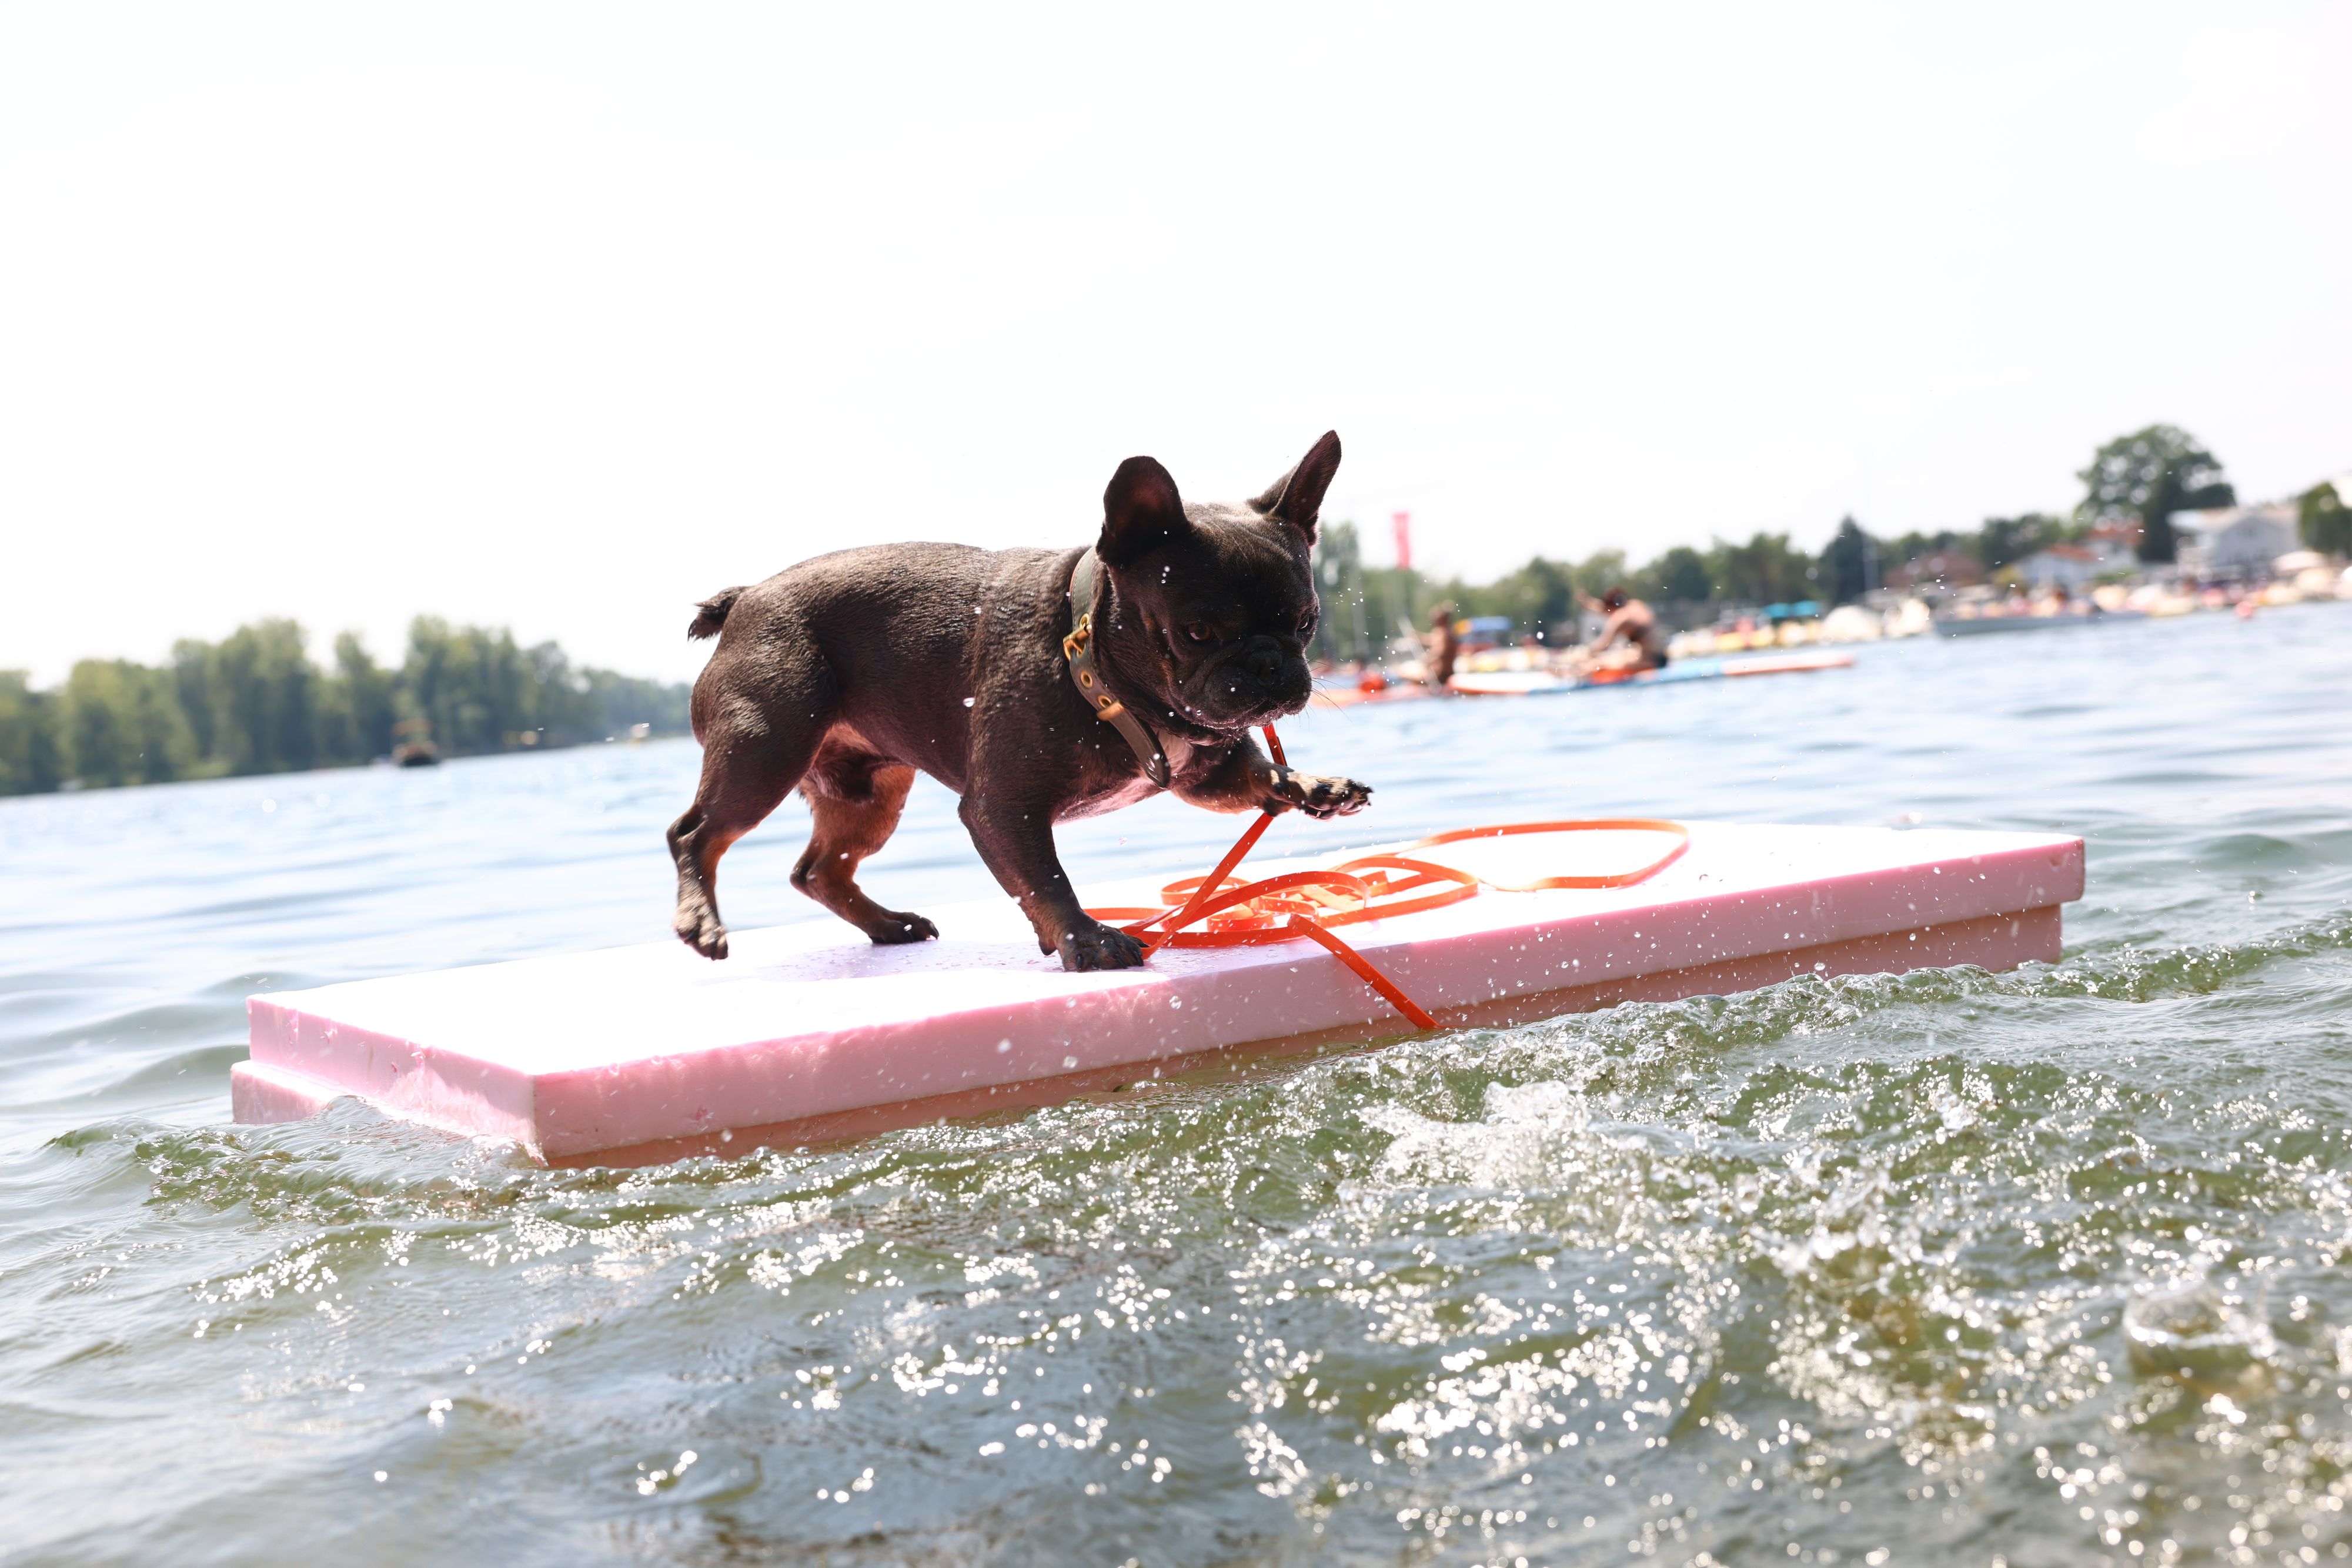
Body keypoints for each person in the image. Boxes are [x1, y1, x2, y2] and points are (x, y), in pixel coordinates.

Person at [1576, 586, 1668, 673]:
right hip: (1661, 656)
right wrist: (1586, 601)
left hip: (1653, 662)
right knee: (1620, 655)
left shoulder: (1622, 618)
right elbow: (1603, 607)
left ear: (1610, 607)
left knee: (1598, 665)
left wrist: (1584, 654)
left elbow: (1603, 645)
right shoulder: (1635, 605)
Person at [1422, 602, 1461, 687]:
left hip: (1439, 676)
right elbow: (1429, 640)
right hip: (1450, 673)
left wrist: (1427, 660)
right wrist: (1415, 636)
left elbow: (1440, 652)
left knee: (1405, 672)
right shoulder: (1450, 632)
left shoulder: (1441, 633)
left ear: (1441, 620)